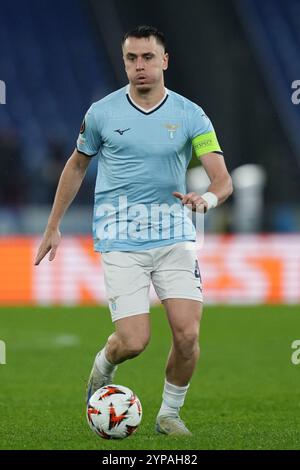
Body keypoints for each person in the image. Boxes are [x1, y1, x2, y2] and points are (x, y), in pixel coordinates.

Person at [35, 25, 233, 436]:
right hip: (120, 238)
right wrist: (53, 226)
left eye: (147, 57)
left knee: (187, 333)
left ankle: (169, 414)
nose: (139, 66)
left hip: (174, 236)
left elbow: (222, 179)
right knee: (133, 341)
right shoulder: (102, 113)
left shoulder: (189, 114)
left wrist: (207, 200)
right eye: (131, 58)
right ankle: (104, 364)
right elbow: (76, 164)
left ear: (164, 61)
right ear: (124, 62)